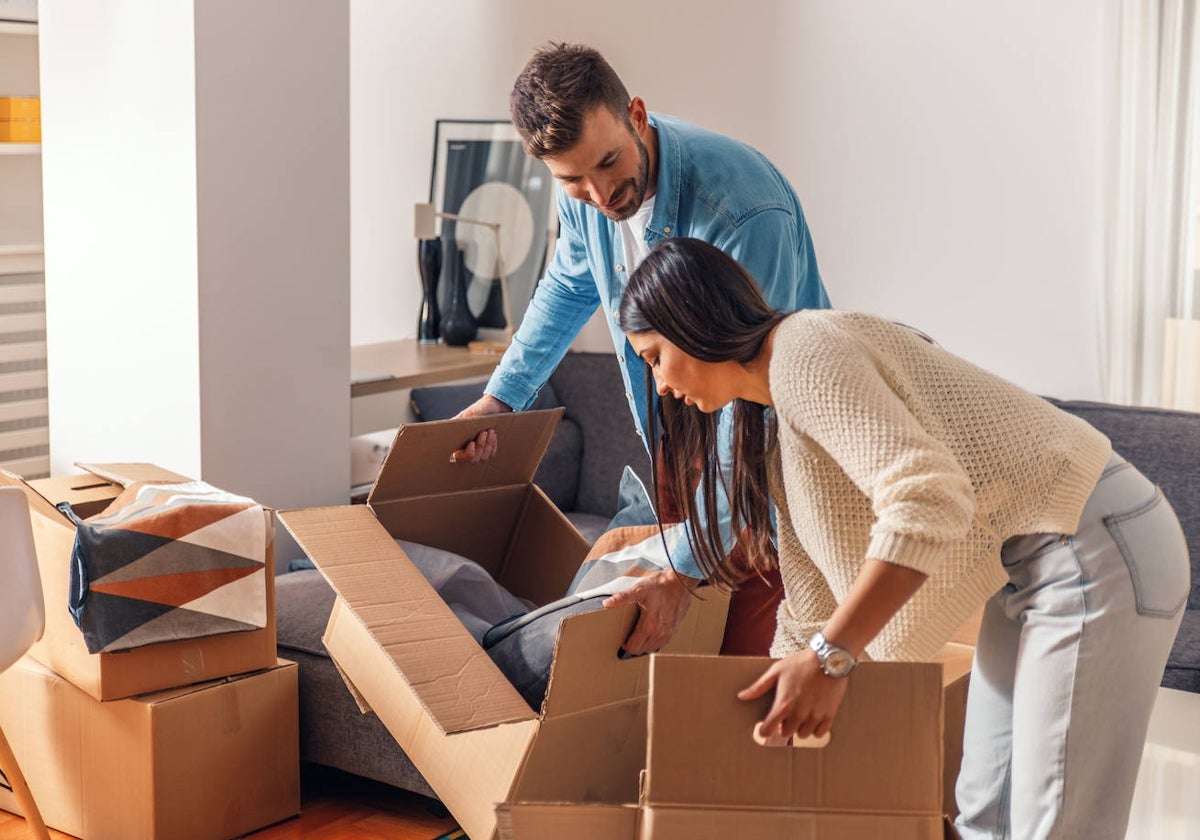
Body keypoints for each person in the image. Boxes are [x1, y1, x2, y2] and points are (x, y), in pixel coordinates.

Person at [618, 237, 1190, 840]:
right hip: (1032, 566)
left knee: (1053, 826)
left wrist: (829, 660)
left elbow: (927, 497)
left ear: (693, 322)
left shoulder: (805, 350)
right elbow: (810, 604)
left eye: (655, 357)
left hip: (1096, 539)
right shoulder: (775, 428)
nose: (657, 384)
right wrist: (766, 721)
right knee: (984, 814)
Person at [455, 42, 830, 655]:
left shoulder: (741, 209)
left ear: (636, 114)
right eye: (573, 180)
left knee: (747, 649)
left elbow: (754, 402)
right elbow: (568, 284)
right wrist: (502, 398)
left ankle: (748, 745)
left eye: (608, 163)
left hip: (765, 438)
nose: (601, 194)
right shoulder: (579, 186)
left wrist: (683, 569)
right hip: (674, 418)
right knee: (663, 640)